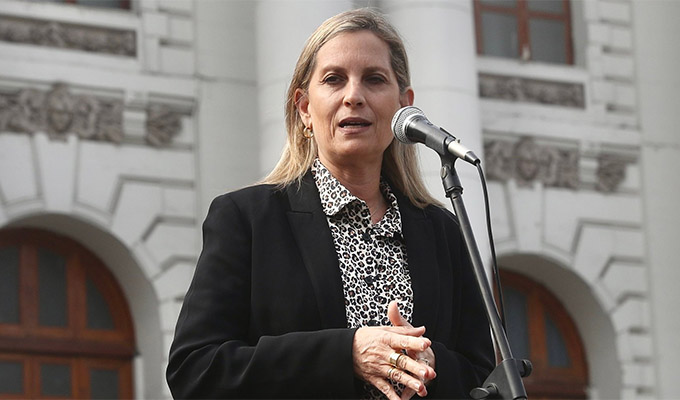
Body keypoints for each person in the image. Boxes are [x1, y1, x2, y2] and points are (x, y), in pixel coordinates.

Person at [166, 8, 494, 399]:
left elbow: (486, 378)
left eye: (374, 79)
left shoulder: (444, 232)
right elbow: (195, 370)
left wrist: (430, 365)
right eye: (334, 79)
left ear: (403, 105)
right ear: (305, 108)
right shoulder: (247, 220)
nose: (353, 96)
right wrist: (346, 353)